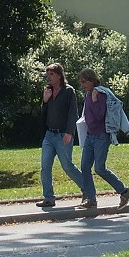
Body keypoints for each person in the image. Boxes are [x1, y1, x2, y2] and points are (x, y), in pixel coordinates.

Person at [76, 67, 129, 210]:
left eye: (84, 82)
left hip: (101, 136)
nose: (82, 85)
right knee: (84, 167)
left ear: (92, 80)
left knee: (100, 168)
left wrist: (95, 100)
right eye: (81, 82)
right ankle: (91, 199)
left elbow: (99, 115)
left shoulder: (100, 94)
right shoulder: (88, 95)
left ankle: (124, 191)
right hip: (90, 136)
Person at [37, 62, 84, 207]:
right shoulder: (48, 91)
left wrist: (69, 132)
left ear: (59, 75)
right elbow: (43, 114)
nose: (48, 77)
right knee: (45, 166)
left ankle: (88, 190)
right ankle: (49, 198)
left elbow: (72, 114)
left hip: (63, 134)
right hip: (49, 135)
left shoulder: (69, 91)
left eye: (51, 74)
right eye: (47, 74)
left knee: (67, 166)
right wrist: (45, 100)